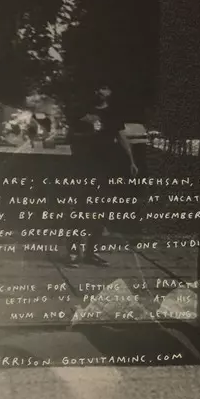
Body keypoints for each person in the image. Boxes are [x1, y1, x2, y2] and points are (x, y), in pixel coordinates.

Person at [70, 83, 139, 267]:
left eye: (105, 88)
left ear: (110, 92)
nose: (101, 92)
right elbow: (72, 136)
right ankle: (74, 252)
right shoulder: (83, 112)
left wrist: (131, 161)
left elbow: (122, 137)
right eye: (98, 88)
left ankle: (91, 252)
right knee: (81, 207)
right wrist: (88, 129)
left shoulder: (114, 114)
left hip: (106, 167)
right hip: (85, 166)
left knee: (102, 208)